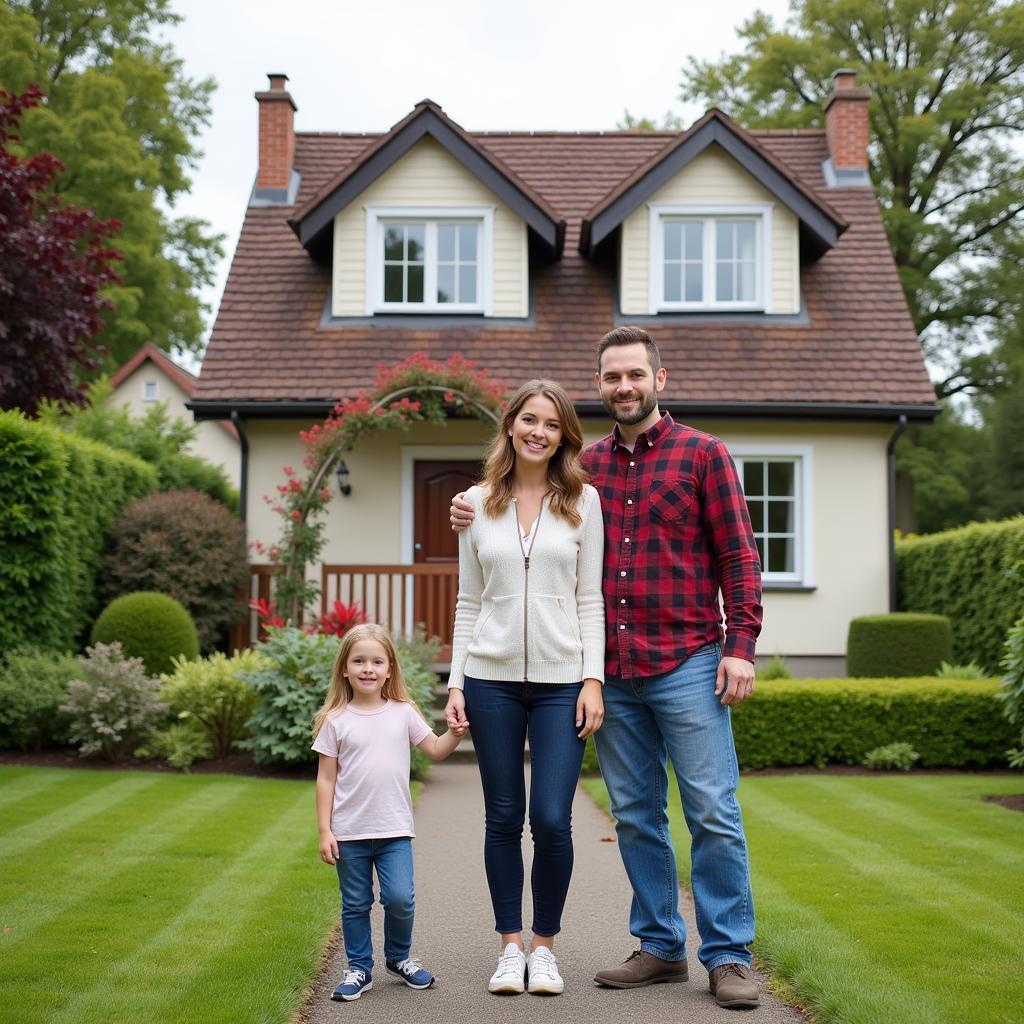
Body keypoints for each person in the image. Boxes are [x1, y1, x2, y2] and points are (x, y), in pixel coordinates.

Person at [450, 328, 763, 1009]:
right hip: (612, 671)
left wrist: (741, 644)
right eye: (612, 377)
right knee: (636, 813)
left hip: (686, 660)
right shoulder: (585, 472)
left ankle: (729, 954)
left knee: (711, 809)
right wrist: (471, 507)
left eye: (635, 375)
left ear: (659, 378)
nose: (624, 386)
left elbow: (739, 556)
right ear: (599, 386)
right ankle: (658, 946)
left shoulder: (703, 455)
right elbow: (534, 544)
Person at [443, 378, 605, 997]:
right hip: (491, 681)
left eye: (552, 423)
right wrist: (456, 683)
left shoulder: (583, 501)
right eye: (529, 419)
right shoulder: (477, 503)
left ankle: (546, 947)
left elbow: (588, 598)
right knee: (503, 816)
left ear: (564, 434)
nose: (539, 431)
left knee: (553, 818)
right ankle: (510, 948)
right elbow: (468, 601)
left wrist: (593, 678)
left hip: (565, 681)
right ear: (510, 425)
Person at [313, 622, 466, 1002]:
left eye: (377, 661)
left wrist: (455, 735)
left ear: (390, 669)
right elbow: (326, 780)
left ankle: (398, 958)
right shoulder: (335, 720)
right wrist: (324, 830)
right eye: (359, 661)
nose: (368, 668)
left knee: (399, 898)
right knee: (355, 903)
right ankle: (358, 968)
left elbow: (434, 748)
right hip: (349, 831)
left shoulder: (403, 713)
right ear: (345, 669)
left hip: (394, 829)